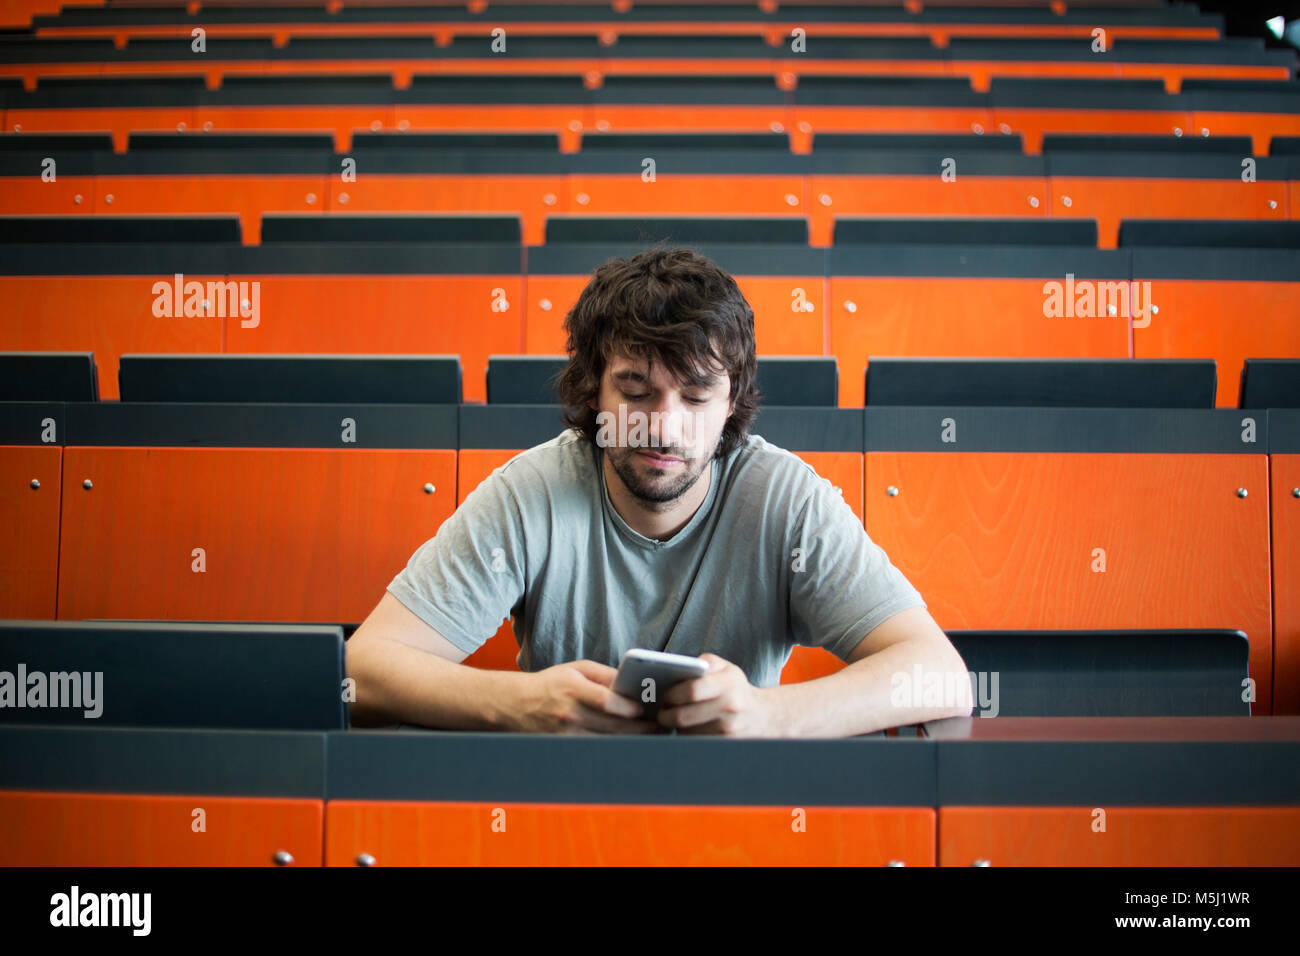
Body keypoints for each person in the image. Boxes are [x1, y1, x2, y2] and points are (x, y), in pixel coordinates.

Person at [347, 246, 973, 735]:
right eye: (636, 390)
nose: (664, 424)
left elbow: (940, 677)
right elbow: (362, 671)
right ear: (595, 394)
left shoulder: (786, 498)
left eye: (697, 395)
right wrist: (521, 703)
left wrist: (769, 716)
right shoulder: (530, 493)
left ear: (732, 405)